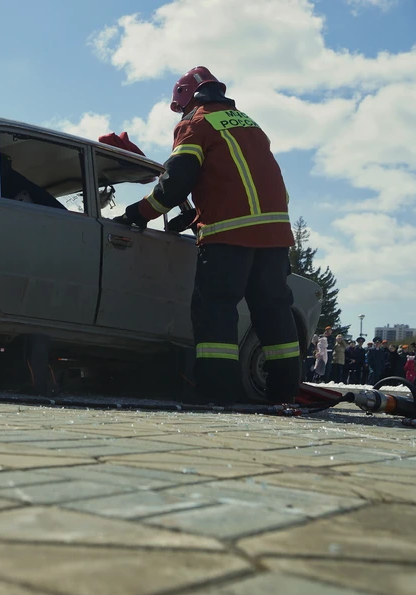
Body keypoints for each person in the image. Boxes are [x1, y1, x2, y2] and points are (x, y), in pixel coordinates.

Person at [113, 66, 299, 403]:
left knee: (215, 309)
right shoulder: (249, 124)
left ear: (184, 98)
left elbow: (173, 184)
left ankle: (219, 394)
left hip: (228, 236)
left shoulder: (195, 123)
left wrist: (135, 214)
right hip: (274, 236)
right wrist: (194, 216)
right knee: (273, 312)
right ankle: (284, 393)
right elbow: (248, 180)